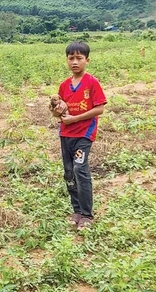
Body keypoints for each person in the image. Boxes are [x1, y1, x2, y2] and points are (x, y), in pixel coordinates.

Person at [53, 41, 107, 229]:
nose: (75, 62)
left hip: (84, 134)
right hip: (65, 133)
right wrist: (56, 111)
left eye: (79, 58)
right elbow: (60, 111)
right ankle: (76, 210)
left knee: (79, 170)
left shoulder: (92, 82)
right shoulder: (64, 86)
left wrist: (75, 119)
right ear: (67, 61)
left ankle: (87, 215)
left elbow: (99, 109)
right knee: (68, 172)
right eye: (71, 58)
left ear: (87, 60)